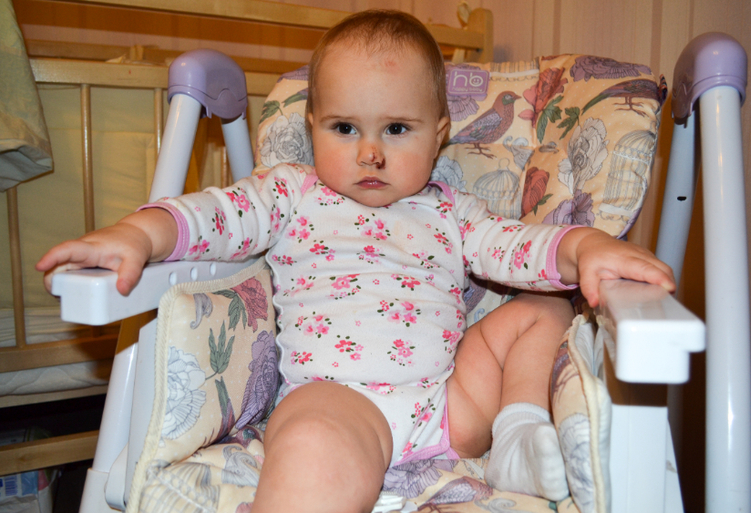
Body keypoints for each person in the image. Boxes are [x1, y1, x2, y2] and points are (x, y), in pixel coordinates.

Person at [36, 10, 675, 513]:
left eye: (396, 129)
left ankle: (519, 433)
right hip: (339, 400)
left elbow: (520, 247)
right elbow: (214, 216)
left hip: (452, 404)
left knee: (542, 307)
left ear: (439, 133)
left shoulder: (451, 210)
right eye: (344, 128)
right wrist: (139, 234)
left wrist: (584, 247)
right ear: (312, 124)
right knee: (311, 441)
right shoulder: (291, 193)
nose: (370, 152)